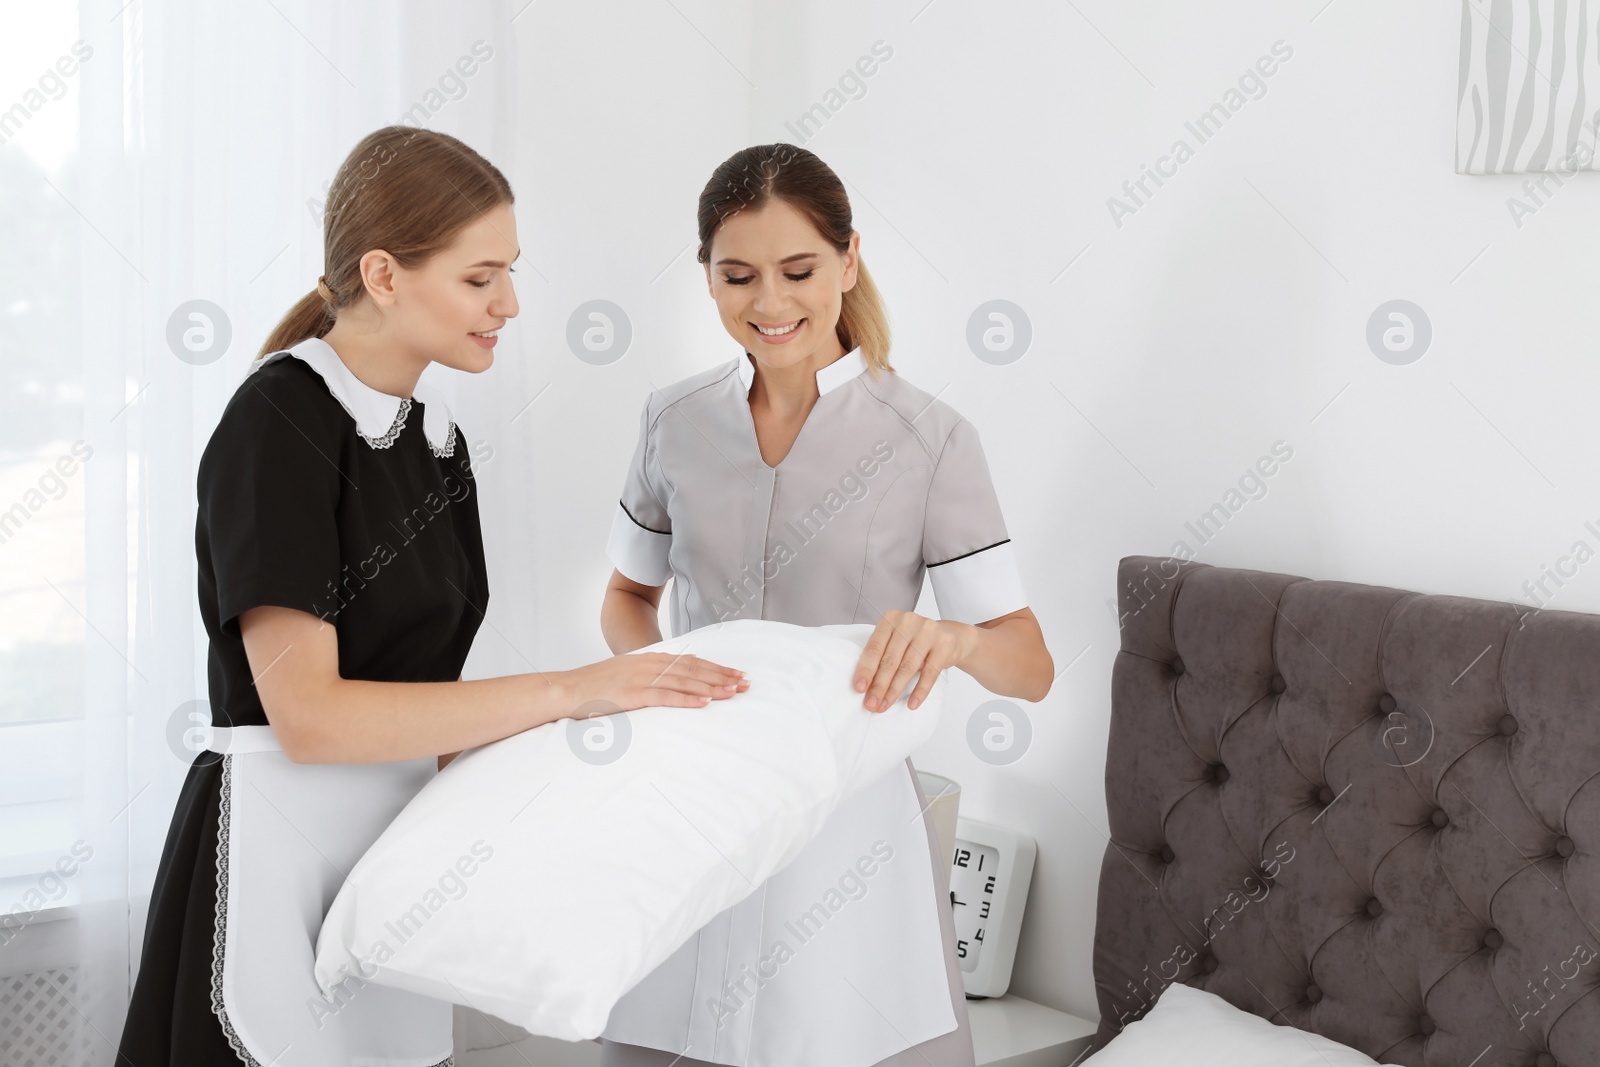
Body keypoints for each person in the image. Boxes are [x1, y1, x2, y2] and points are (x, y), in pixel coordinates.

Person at [116, 125, 747, 1067]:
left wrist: (595, 757)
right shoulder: (279, 422)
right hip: (270, 859)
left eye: (510, 272)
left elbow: (426, 709)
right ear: (383, 274)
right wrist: (574, 689)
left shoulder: (436, 445)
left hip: (388, 866)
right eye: (480, 276)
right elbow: (311, 718)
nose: (510, 302)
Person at [597, 143, 1054, 1067]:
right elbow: (625, 594)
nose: (770, 304)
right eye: (739, 276)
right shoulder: (671, 421)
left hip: (847, 827)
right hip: (697, 802)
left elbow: (1029, 666)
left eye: (799, 271)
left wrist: (953, 637)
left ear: (848, 262)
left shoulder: (929, 439)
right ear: (709, 280)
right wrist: (648, 675)